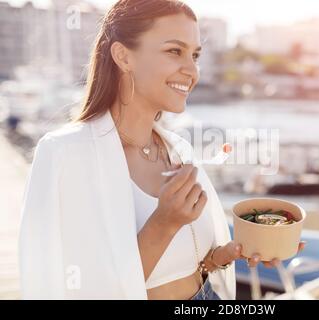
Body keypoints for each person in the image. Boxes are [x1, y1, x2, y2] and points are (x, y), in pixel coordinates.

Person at [18, 0, 303, 300]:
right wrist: (164, 224)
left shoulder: (177, 149)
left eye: (195, 55)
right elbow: (74, 289)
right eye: (174, 51)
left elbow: (193, 264)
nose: (192, 71)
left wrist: (229, 253)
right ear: (123, 56)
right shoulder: (64, 154)